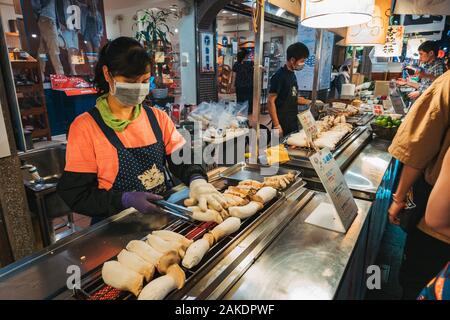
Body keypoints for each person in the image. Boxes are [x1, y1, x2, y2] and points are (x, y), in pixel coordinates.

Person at [57, 37, 227, 224]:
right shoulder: (85, 127)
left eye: (145, 80)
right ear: (107, 74)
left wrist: (197, 179)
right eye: (130, 81)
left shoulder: (157, 118)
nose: (138, 88)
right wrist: (124, 200)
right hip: (114, 224)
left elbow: (183, 158)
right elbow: (76, 194)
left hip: (160, 217)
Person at [388, 70, 450, 299]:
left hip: (437, 225)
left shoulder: (446, 83)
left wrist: (399, 197)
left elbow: (418, 147)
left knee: (419, 280)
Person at [268, 42, 311, 137]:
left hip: (292, 121)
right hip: (281, 123)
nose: (303, 64)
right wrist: (276, 125)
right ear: (292, 60)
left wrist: (310, 102)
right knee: (276, 151)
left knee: (290, 150)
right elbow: (270, 101)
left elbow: (292, 97)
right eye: (302, 61)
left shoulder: (292, 75)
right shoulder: (279, 76)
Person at [31, 0, 65, 76]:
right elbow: (35, 4)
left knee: (43, 50)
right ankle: (60, 74)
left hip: (46, 19)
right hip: (47, 19)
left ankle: (40, 73)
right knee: (54, 48)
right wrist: (39, 12)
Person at [232, 49, 254, 115]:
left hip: (239, 85)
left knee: (240, 99)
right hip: (249, 85)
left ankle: (240, 112)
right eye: (248, 55)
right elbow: (258, 70)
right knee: (249, 99)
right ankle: (248, 112)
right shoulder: (251, 63)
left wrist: (232, 85)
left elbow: (234, 76)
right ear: (246, 56)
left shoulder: (236, 64)